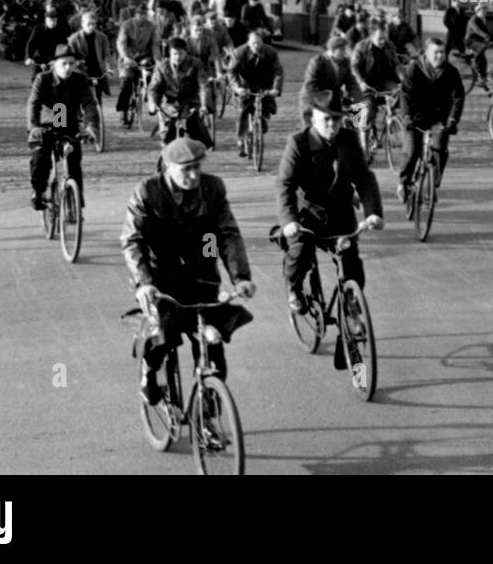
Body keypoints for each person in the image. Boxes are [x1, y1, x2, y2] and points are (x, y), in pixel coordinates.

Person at [121, 137, 257, 404]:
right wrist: (144, 283)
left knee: (212, 344)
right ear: (168, 166)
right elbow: (132, 240)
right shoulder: (147, 191)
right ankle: (150, 371)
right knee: (160, 336)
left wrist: (241, 278)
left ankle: (208, 407)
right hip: (160, 279)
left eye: (197, 167)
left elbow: (228, 234)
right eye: (186, 169)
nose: (194, 175)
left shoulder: (213, 188)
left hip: (202, 276)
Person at [275, 88, 384, 368]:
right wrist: (289, 222)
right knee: (299, 253)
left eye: (337, 119)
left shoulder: (349, 140)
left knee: (352, 267)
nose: (333, 125)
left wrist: (373, 214)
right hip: (307, 216)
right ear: (313, 117)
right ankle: (295, 291)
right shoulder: (298, 143)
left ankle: (351, 309)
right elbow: (285, 185)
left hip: (340, 214)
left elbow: (364, 178)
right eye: (327, 120)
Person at [26, 44, 98, 210]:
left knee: (74, 163)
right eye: (63, 64)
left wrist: (90, 127)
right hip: (45, 127)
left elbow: (89, 104)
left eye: (71, 64)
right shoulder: (43, 79)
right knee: (40, 162)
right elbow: (33, 104)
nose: (68, 67)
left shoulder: (79, 79)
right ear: (54, 64)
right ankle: (38, 191)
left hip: (69, 126)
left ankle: (75, 201)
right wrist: (34, 126)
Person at [396, 37, 465, 204]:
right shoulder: (414, 68)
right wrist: (406, 117)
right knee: (412, 151)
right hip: (414, 117)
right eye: (436, 52)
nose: (440, 56)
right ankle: (403, 183)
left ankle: (432, 186)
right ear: (426, 53)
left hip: (439, 119)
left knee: (440, 149)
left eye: (442, 52)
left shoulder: (451, 72)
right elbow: (405, 94)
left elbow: (458, 97)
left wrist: (452, 121)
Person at [229, 25, 284, 155]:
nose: (256, 46)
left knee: (267, 105)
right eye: (253, 43)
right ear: (248, 42)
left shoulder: (271, 53)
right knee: (242, 110)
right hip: (244, 85)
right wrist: (237, 88)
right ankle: (241, 141)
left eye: (258, 43)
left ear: (262, 42)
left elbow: (278, 71)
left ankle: (261, 121)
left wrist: (276, 89)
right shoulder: (238, 53)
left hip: (264, 85)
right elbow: (231, 72)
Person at [148, 36, 210, 147]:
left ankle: (196, 159)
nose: (177, 57)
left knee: (198, 134)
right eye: (174, 54)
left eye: (180, 53)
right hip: (169, 103)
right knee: (167, 135)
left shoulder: (196, 64)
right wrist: (153, 104)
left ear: (186, 53)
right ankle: (166, 159)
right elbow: (154, 88)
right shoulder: (162, 66)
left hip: (190, 101)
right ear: (170, 54)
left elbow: (203, 85)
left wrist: (204, 105)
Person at [352, 19, 402, 143]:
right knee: (367, 109)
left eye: (384, 38)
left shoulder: (389, 46)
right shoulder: (361, 47)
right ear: (371, 36)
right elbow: (354, 67)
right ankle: (363, 140)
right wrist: (361, 82)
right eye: (379, 39)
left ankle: (389, 118)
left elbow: (397, 65)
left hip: (385, 82)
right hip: (366, 83)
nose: (383, 41)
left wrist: (403, 80)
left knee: (401, 93)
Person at [298, 33, 361, 126]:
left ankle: (358, 136)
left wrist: (359, 99)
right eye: (342, 49)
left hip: (333, 99)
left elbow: (351, 82)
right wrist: (323, 108)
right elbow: (310, 85)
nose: (345, 52)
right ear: (332, 50)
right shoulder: (317, 61)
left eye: (345, 49)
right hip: (313, 100)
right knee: (312, 131)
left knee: (341, 124)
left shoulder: (345, 62)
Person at [115, 5, 160, 120]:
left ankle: (151, 102)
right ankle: (123, 110)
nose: (143, 17)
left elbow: (155, 44)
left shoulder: (152, 26)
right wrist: (125, 57)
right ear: (135, 15)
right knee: (126, 81)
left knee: (152, 79)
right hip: (128, 57)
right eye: (140, 14)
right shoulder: (126, 25)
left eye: (145, 14)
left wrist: (157, 59)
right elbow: (122, 43)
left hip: (145, 57)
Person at [184, 14, 226, 117]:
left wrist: (219, 72)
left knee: (210, 87)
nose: (199, 33)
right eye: (196, 30)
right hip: (190, 71)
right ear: (191, 30)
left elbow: (216, 57)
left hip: (206, 70)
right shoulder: (186, 41)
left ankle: (209, 108)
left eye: (200, 30)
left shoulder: (210, 41)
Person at [67, 9, 112, 99]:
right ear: (82, 24)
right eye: (88, 24)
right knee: (81, 96)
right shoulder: (73, 39)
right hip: (81, 71)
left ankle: (99, 111)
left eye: (93, 24)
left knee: (98, 96)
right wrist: (76, 63)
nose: (91, 27)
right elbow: (69, 56)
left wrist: (108, 67)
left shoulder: (102, 37)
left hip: (98, 70)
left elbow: (106, 54)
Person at [25, 5, 70, 75]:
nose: (52, 23)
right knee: (35, 78)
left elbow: (64, 46)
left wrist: (58, 59)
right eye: (50, 20)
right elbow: (31, 44)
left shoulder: (60, 31)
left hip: (53, 59)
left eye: (54, 20)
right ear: (46, 20)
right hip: (39, 59)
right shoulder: (38, 29)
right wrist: (29, 57)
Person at [463, 2, 493, 90]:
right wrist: (486, 36)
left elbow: (486, 31)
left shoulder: (482, 20)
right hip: (470, 41)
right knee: (481, 51)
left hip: (478, 41)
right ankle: (481, 75)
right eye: (483, 11)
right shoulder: (473, 20)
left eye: (485, 11)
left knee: (483, 59)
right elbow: (477, 30)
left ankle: (482, 79)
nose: (484, 13)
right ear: (477, 11)